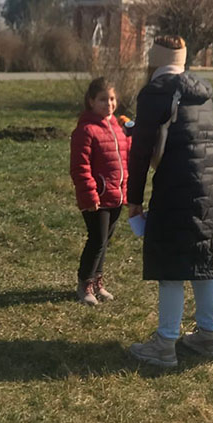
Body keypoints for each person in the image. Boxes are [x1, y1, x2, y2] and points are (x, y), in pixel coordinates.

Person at [126, 36, 213, 369]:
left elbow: (142, 152)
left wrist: (134, 202)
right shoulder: (203, 89)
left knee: (170, 264)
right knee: (203, 258)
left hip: (176, 184)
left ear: (153, 61)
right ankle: (207, 334)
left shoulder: (154, 93)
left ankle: (165, 343)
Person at [69, 77, 131, 306]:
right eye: (103, 99)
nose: (109, 104)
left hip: (116, 195)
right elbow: (80, 167)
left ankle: (97, 280)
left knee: (104, 241)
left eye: (112, 99)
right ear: (91, 101)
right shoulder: (86, 130)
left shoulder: (117, 127)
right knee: (96, 240)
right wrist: (89, 195)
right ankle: (84, 282)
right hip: (97, 198)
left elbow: (125, 158)